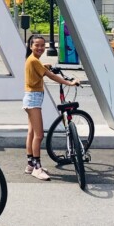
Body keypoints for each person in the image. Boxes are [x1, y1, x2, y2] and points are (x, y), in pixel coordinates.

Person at [24, 35, 78, 181]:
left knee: (31, 133)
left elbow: (40, 69)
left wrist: (45, 65)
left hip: (31, 97)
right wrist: (69, 82)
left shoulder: (33, 60)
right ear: (30, 46)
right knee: (39, 135)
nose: (40, 48)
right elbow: (51, 76)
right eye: (37, 45)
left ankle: (30, 164)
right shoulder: (34, 61)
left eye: (43, 45)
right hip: (34, 99)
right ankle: (37, 168)